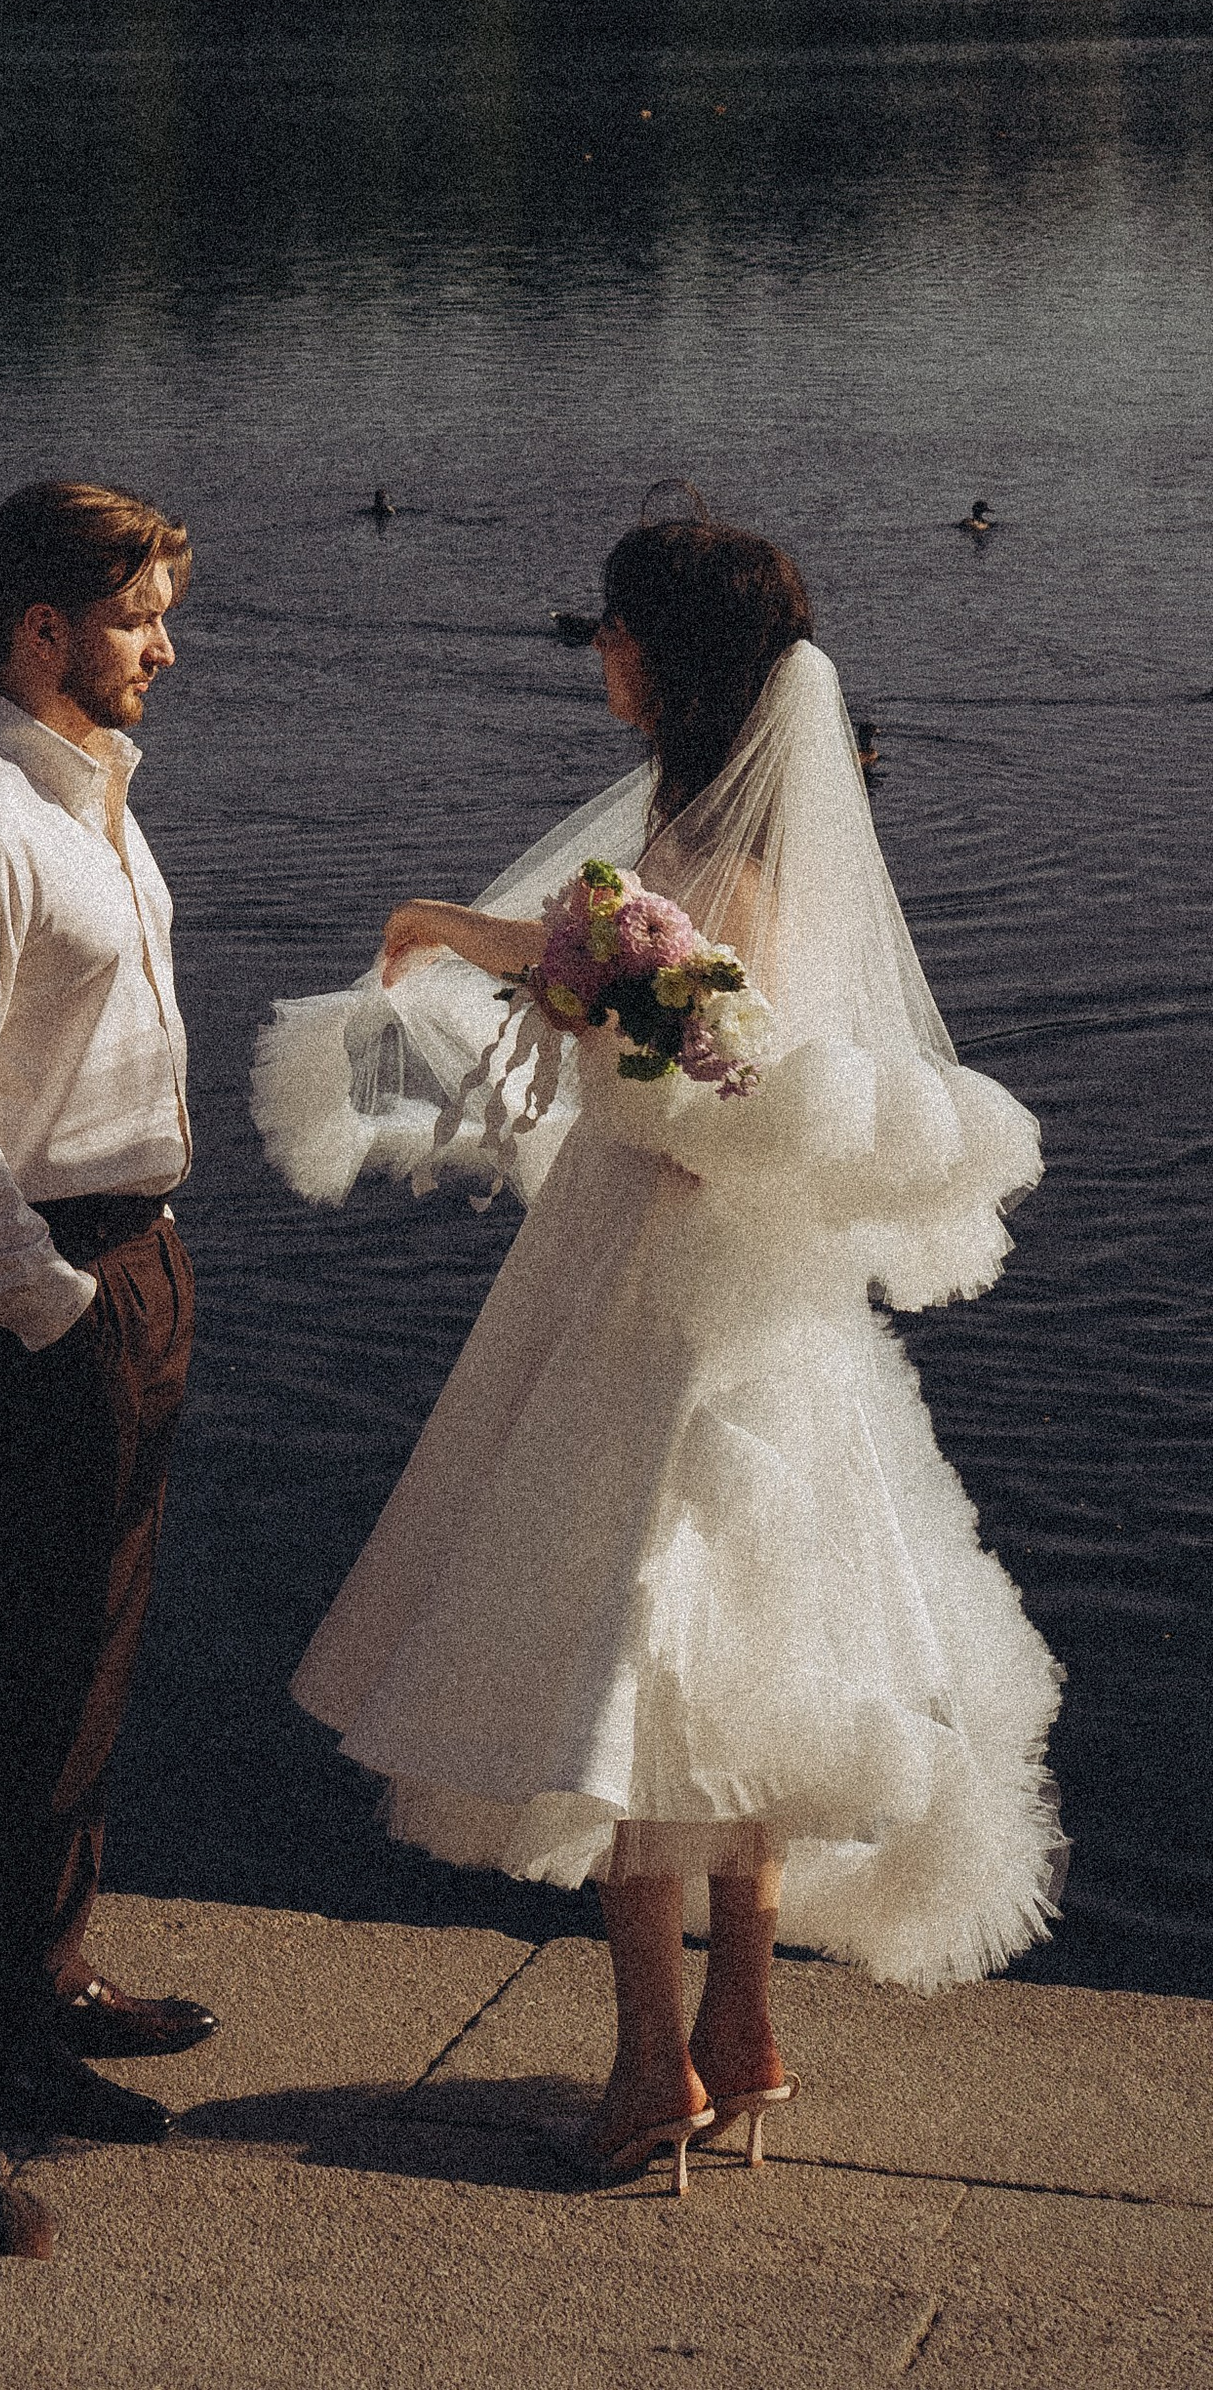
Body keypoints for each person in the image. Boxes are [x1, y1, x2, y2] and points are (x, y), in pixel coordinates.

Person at [252, 510, 1063, 2193]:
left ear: (668, 658)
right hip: (706, 1291)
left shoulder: (732, 867)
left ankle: (648, 2075)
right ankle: (744, 2036)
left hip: (671, 1290)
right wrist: (466, 940)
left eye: (615, 630)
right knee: (728, 1673)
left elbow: (712, 1101)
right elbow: (603, 972)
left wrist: (608, 1051)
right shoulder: (692, 830)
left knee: (634, 1659)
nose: (598, 655)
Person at [0, 478, 215, 2148]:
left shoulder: (96, 802)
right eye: (138, 615)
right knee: (10, 1669)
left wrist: (127, 1283)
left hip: (130, 1255)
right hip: (33, 1283)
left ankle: (53, 1971)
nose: (165, 644)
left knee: (94, 1648)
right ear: (41, 631)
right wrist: (56, 1310)